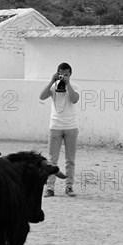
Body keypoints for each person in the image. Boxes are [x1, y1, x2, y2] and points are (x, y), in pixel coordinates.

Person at [39, 62, 80, 197]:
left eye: (66, 74)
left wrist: (67, 84)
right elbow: (42, 96)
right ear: (58, 73)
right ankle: (50, 188)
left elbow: (74, 100)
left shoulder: (74, 86)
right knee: (52, 160)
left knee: (70, 160)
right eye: (62, 74)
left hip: (71, 127)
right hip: (55, 127)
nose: (64, 77)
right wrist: (52, 80)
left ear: (70, 74)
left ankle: (69, 187)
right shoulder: (53, 86)